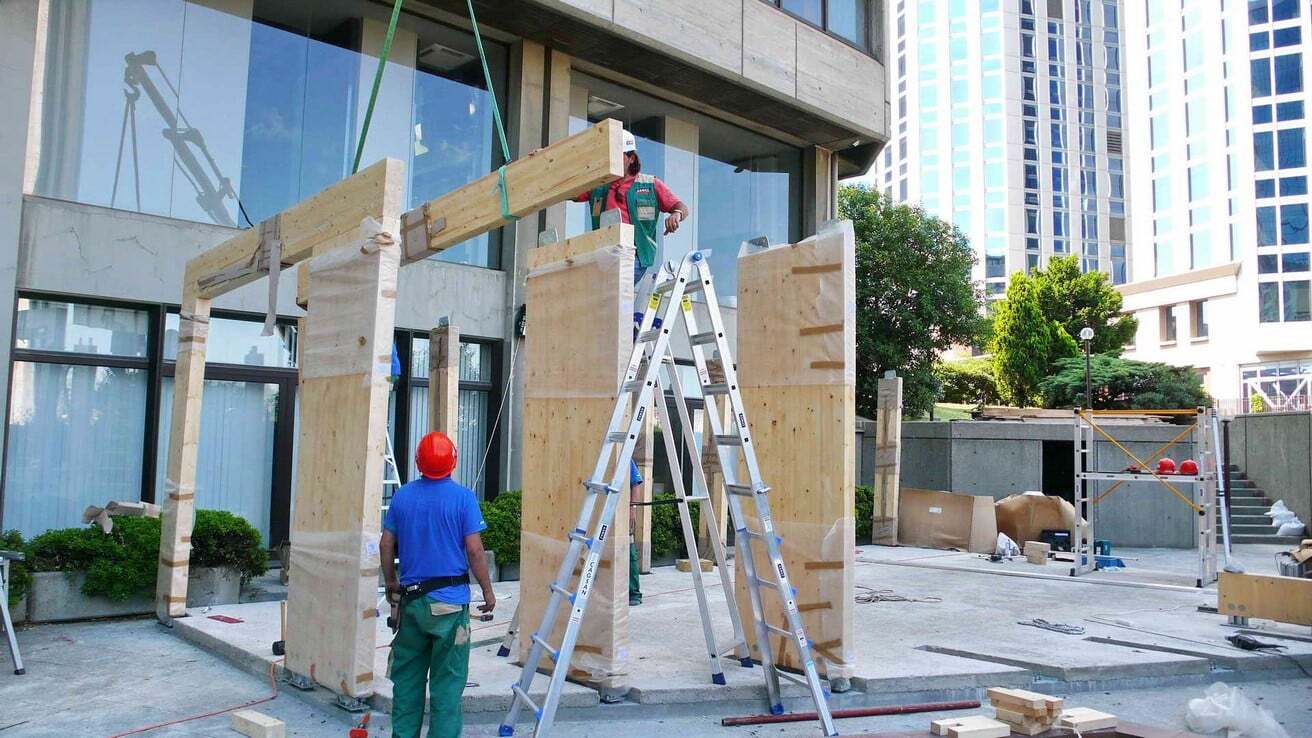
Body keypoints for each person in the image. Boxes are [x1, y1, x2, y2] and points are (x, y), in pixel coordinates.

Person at [381, 431, 494, 738]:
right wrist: (487, 590)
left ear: (419, 462)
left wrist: (392, 584)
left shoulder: (403, 496)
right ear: (453, 462)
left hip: (411, 604)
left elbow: (386, 543)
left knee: (407, 681)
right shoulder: (463, 498)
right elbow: (474, 550)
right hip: (449, 607)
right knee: (447, 684)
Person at [575, 129, 691, 289]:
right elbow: (569, 192)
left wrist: (676, 215)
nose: (611, 160)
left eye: (617, 154)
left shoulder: (650, 184)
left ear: (631, 158)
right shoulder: (598, 185)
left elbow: (681, 207)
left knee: (613, 292)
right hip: (604, 253)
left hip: (634, 255)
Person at [628, 459, 643, 607]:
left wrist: (632, 509)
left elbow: (635, 484)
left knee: (629, 551)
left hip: (623, 513)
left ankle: (633, 593)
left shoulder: (626, 459)